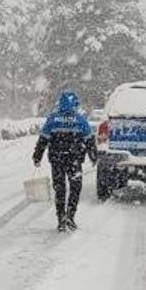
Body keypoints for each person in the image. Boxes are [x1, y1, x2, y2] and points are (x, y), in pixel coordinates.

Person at [33, 90, 93, 232]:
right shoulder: (80, 120)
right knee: (75, 188)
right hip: (75, 161)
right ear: (74, 104)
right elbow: (89, 140)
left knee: (59, 189)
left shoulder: (53, 119)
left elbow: (43, 139)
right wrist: (93, 155)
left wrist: (37, 156)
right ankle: (70, 216)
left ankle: (61, 218)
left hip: (57, 160)